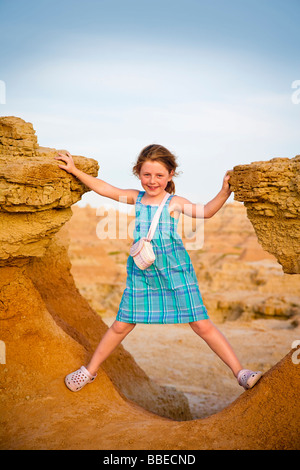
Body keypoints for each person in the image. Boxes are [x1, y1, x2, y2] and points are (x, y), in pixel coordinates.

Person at [54, 144, 262, 393]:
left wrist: (224, 192)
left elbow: (205, 211)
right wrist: (76, 171)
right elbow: (107, 189)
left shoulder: (174, 203)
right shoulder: (136, 198)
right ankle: (89, 371)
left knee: (200, 324)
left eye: (159, 175)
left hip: (175, 269)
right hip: (143, 271)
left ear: (171, 174)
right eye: (146, 175)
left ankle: (240, 373)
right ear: (138, 173)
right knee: (121, 324)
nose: (152, 181)